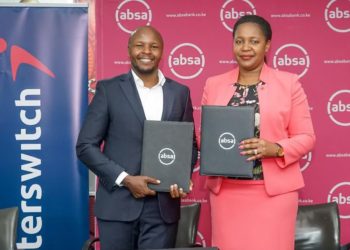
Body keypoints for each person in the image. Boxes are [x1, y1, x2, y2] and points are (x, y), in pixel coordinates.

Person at [76, 26, 198, 250]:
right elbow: (85, 146)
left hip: (162, 210)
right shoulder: (108, 90)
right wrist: (125, 178)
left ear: (162, 52)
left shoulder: (180, 93)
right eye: (140, 45)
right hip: (117, 205)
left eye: (154, 46)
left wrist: (180, 177)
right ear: (129, 49)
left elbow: (189, 146)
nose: (147, 51)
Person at [201, 15, 315, 250]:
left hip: (274, 195)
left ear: (267, 45)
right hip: (227, 194)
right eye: (239, 41)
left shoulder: (289, 83)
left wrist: (276, 148)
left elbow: (306, 137)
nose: (245, 48)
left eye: (254, 41)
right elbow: (205, 137)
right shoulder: (214, 84)